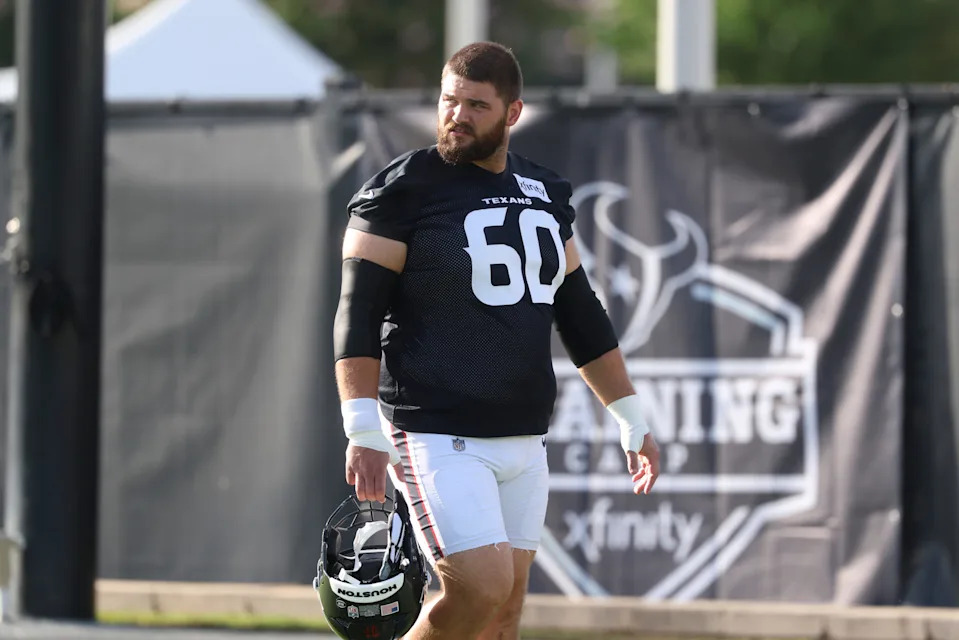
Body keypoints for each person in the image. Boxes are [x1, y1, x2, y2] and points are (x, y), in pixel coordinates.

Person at [332, 41, 660, 640]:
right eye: (449, 100)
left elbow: (580, 314)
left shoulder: (543, 191)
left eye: (476, 105)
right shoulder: (405, 188)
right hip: (435, 429)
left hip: (523, 434)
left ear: (512, 113)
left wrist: (631, 417)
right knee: (480, 586)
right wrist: (361, 427)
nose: (457, 116)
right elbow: (358, 314)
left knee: (504, 613)